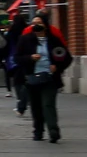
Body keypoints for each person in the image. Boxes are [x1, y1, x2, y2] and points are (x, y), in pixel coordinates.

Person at [11, 14, 73, 143]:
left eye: (39, 23)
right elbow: (17, 58)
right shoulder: (25, 39)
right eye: (33, 23)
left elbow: (67, 58)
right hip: (32, 78)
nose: (36, 25)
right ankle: (38, 131)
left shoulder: (54, 40)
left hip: (49, 78)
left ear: (45, 25)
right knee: (36, 106)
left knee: (48, 104)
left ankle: (53, 130)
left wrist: (57, 66)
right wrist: (30, 58)